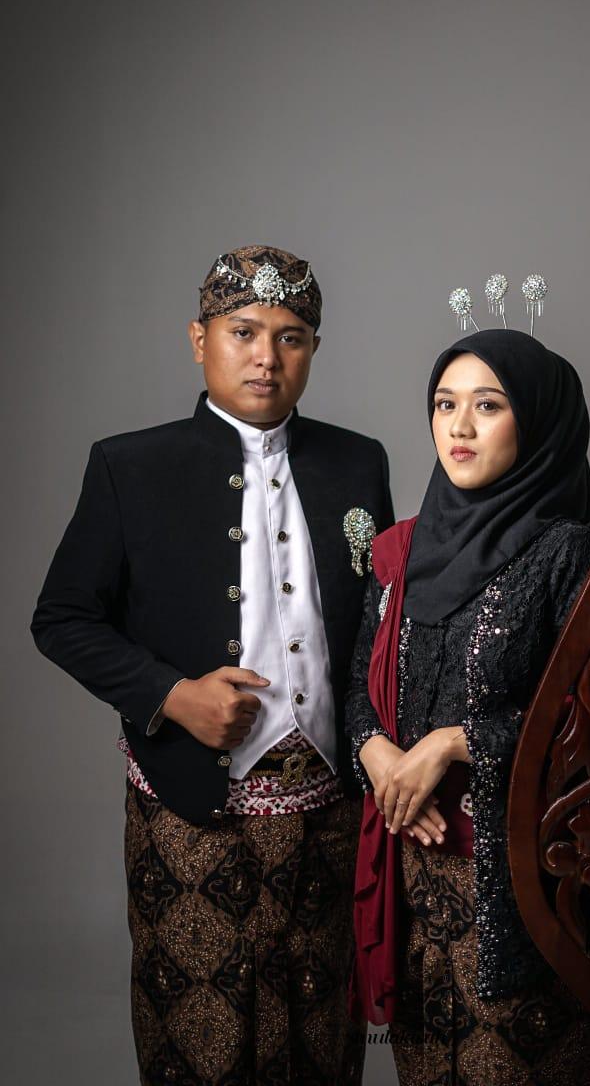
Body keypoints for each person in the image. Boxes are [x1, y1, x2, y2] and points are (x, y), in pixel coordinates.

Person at [32, 244, 394, 1086]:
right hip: (191, 816)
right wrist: (170, 695)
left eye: (291, 337)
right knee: (204, 1053)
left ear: (313, 348)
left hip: (330, 816)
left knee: (322, 1048)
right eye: (244, 332)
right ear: (199, 340)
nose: (267, 357)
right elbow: (61, 618)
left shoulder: (359, 461)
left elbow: (375, 624)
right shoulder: (129, 465)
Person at [345, 328, 590, 1086]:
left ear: (537, 420)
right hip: (411, 879)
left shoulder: (568, 554)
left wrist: (450, 744)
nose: (459, 427)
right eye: (445, 404)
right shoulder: (400, 551)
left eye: (488, 405)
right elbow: (357, 686)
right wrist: (380, 759)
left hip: (517, 881)